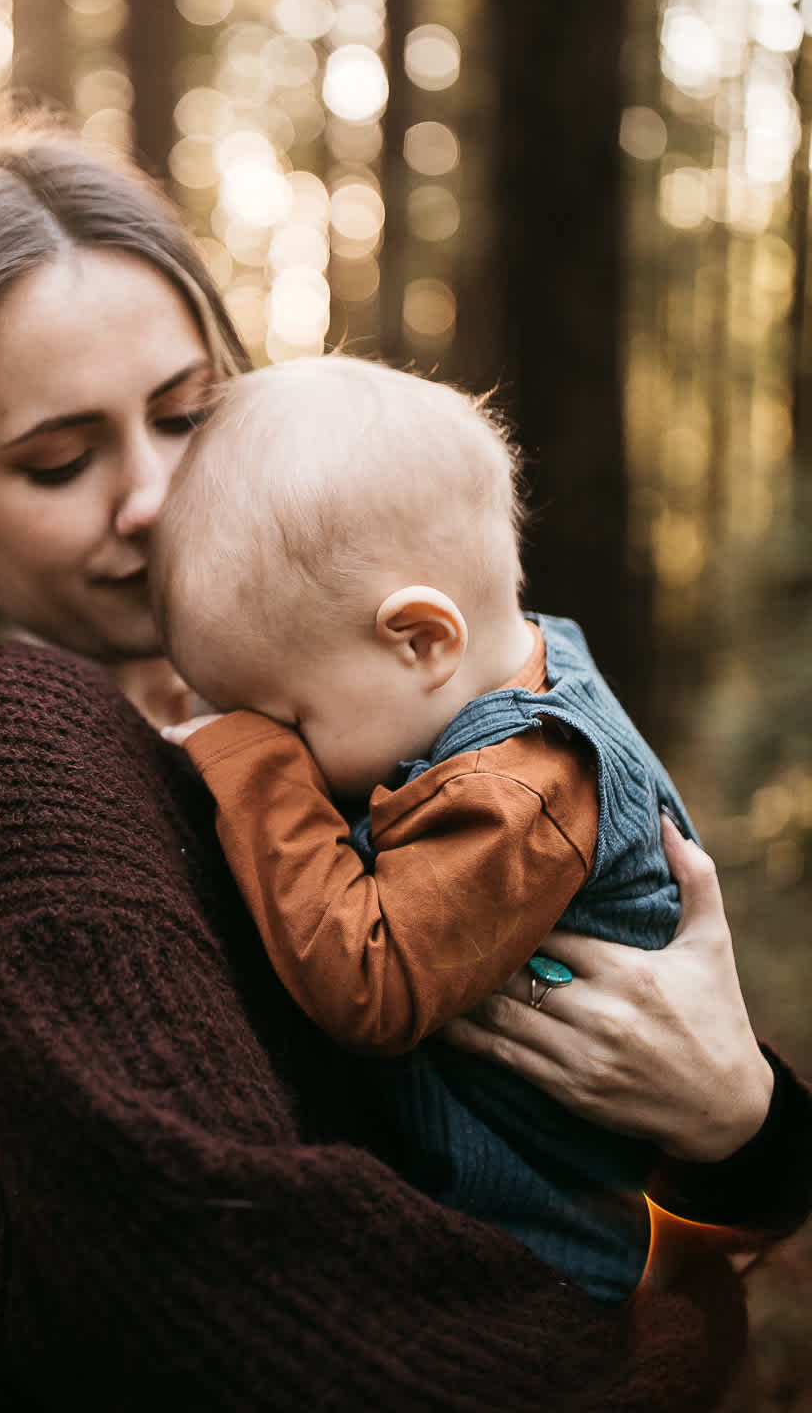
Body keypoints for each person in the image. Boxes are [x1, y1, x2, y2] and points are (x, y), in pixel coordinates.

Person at [0, 120, 811, 1412]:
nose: (152, 499)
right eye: (59, 459)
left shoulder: (339, 697)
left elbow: (620, 1097)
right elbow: (252, 1303)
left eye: (187, 415)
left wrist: (740, 1119)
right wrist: (679, 1332)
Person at [152, 355, 735, 1300]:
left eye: (290, 720)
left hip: (538, 1269)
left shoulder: (521, 791)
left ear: (423, 639)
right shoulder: (510, 667)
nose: (283, 748)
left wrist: (250, 765)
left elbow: (372, 981)